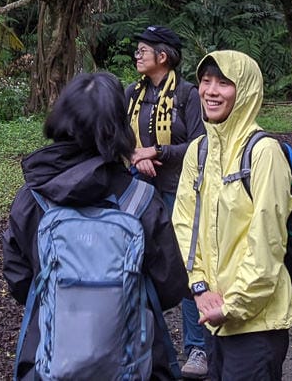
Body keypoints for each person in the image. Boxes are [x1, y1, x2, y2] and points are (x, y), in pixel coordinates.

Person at [3, 71, 188, 380]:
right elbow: (169, 287)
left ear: (62, 116)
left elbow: (20, 283)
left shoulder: (32, 198)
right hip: (134, 362)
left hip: (48, 361)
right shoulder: (141, 199)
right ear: (118, 125)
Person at [172, 51, 292, 381]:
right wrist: (199, 288)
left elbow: (267, 240)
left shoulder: (263, 152)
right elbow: (185, 224)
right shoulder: (198, 151)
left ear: (244, 90)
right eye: (205, 81)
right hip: (212, 320)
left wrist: (233, 306)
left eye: (224, 83)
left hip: (256, 323)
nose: (211, 91)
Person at [127, 24, 208, 379]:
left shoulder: (188, 95)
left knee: (187, 263)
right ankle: (140, 340)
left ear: (163, 56)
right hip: (140, 187)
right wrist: (135, 153)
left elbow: (199, 143)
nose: (137, 55)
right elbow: (115, 133)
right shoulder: (131, 93)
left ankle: (198, 349)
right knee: (138, 261)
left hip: (179, 188)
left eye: (143, 50)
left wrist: (158, 151)